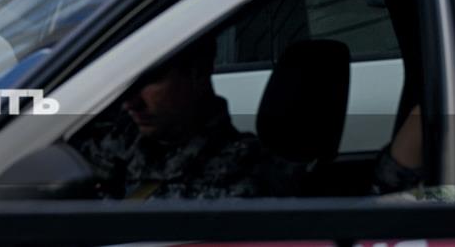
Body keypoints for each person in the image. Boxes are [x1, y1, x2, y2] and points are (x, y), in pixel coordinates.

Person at [71, 38, 302, 200]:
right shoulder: (124, 136)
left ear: (197, 72)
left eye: (149, 81)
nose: (130, 103)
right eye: (127, 84)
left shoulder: (241, 178)